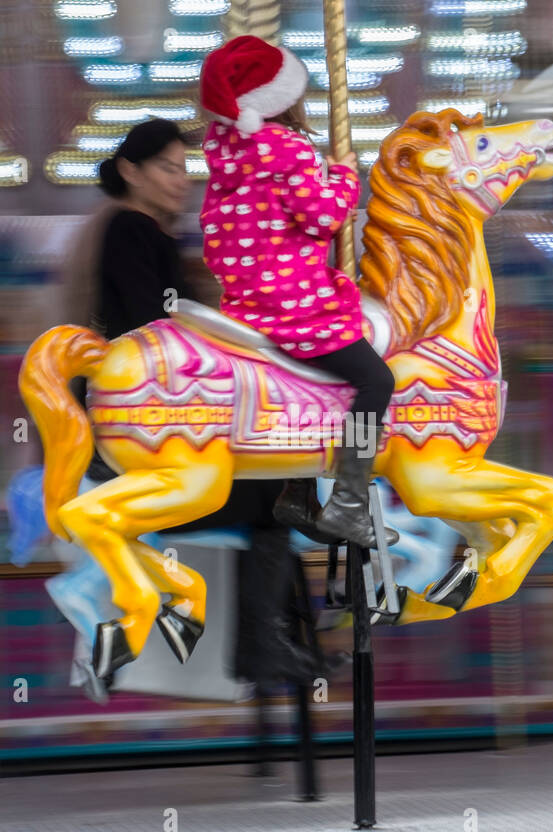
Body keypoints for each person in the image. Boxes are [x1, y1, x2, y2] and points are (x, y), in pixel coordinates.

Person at [60, 117, 319, 686]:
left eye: (186, 169)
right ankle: (260, 646)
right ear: (131, 171)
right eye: (168, 168)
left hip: (152, 413)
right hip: (146, 424)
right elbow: (156, 327)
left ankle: (278, 638)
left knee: (280, 478)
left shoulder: (138, 232)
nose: (182, 180)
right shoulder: (134, 232)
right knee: (280, 495)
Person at [197, 35, 397, 550]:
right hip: (292, 306)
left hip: (246, 306)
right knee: (375, 381)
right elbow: (327, 216)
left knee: (306, 384)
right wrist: (346, 177)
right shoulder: (286, 149)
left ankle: (297, 491)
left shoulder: (224, 152)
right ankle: (350, 502)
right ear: (280, 98)